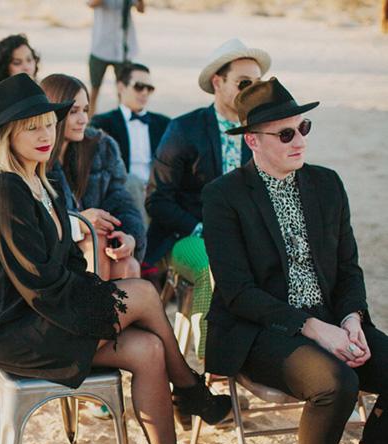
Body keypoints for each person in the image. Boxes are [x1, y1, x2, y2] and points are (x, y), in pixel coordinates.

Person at [0, 73, 232, 444]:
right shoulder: (4, 191)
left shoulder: (43, 182)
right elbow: (36, 281)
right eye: (31, 127)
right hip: (18, 327)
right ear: (7, 136)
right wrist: (98, 307)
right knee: (143, 293)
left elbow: (71, 261)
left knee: (149, 350)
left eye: (48, 124)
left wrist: (98, 298)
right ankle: (189, 389)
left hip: (49, 310)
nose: (45, 135)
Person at [203, 77, 387, 444]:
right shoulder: (223, 196)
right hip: (259, 329)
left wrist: (351, 319)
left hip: (332, 318)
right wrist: (315, 329)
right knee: (336, 382)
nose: (299, 140)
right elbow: (238, 292)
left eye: (303, 128)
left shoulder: (328, 184)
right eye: (285, 134)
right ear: (252, 140)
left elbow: (348, 268)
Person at [144, 38, 269, 368]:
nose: (253, 91)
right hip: (185, 236)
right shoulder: (184, 129)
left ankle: (267, 356)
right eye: (244, 83)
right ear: (217, 82)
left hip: (245, 238)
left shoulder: (264, 131)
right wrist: (204, 229)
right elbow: (157, 200)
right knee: (213, 266)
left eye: (259, 84)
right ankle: (214, 363)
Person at [40, 73, 145, 281]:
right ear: (53, 113)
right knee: (94, 239)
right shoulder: (36, 156)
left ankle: (101, 302)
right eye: (73, 112)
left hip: (99, 250)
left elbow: (121, 201)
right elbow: (35, 221)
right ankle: (94, 302)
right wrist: (80, 222)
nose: (83, 119)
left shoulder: (101, 147)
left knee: (129, 265)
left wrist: (130, 236)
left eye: (86, 110)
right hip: (53, 256)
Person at [91, 62, 170, 220]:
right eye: (139, 87)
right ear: (121, 87)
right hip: (125, 191)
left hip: (157, 190)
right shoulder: (103, 123)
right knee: (132, 183)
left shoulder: (164, 123)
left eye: (149, 88)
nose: (145, 93)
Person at [86, 0, 145, 116]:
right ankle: (89, 121)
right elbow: (92, 4)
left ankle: (121, 121)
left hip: (123, 50)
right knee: (94, 90)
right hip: (100, 48)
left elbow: (141, 9)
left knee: (123, 91)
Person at [0, 34, 40, 131]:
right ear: (4, 68)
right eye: (17, 63)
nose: (26, 67)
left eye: (29, 60)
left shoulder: (42, 92)